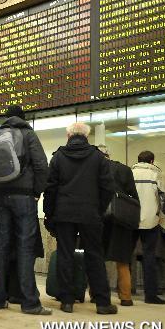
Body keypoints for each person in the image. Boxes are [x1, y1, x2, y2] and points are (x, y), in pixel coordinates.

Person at [44, 123, 117, 314]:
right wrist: (98, 208)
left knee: (65, 255)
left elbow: (50, 188)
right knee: (94, 256)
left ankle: (67, 301)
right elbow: (108, 187)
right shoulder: (98, 157)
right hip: (90, 214)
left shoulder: (58, 157)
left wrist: (49, 214)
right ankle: (102, 303)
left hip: (64, 214)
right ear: (87, 136)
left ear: (68, 135)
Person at [0, 105, 51, 315]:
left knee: (1, 246)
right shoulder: (28, 134)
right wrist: (37, 192)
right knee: (25, 246)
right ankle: (30, 302)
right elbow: (41, 165)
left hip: (0, 196)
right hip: (23, 196)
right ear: (23, 118)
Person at [97, 145, 139, 307]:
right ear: (108, 154)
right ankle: (126, 297)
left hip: (101, 218)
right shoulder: (125, 169)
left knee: (98, 258)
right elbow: (134, 197)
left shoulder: (94, 169)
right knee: (122, 260)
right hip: (122, 219)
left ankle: (97, 293)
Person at [131, 150, 165, 304]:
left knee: (127, 256)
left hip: (131, 220)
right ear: (152, 161)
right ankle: (150, 295)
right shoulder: (157, 175)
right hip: (151, 221)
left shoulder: (130, 173)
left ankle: (125, 292)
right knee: (149, 257)